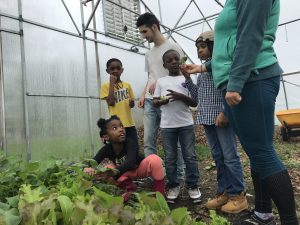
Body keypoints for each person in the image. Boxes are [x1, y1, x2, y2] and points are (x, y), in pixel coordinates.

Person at [181, 0, 298, 224]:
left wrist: (235, 83)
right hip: (246, 78)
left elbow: (250, 36)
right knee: (257, 153)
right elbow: (230, 46)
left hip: (253, 77)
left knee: (262, 153)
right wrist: (204, 68)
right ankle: (263, 214)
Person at [183, 30, 247, 213]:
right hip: (207, 118)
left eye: (203, 47)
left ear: (214, 46)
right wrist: (188, 79)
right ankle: (223, 192)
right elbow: (196, 98)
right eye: (197, 48)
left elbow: (228, 89)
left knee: (230, 156)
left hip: (221, 117)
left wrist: (225, 112)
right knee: (218, 156)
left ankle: (238, 195)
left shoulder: (221, 66)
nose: (199, 51)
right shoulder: (202, 73)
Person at [136, 12, 185, 183]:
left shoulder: (174, 48)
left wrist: (159, 82)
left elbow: (179, 74)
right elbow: (150, 76)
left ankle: (178, 175)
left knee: (171, 141)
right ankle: (153, 175)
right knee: (148, 139)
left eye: (144, 32)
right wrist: (143, 94)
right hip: (150, 100)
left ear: (154, 27)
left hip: (166, 101)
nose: (143, 36)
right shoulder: (148, 54)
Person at [153, 49, 201, 203]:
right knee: (170, 157)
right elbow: (154, 102)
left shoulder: (187, 79)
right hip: (168, 126)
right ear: (165, 64)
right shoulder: (161, 81)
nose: (174, 62)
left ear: (180, 61)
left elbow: (194, 102)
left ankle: (193, 185)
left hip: (186, 123)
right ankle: (173, 185)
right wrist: (162, 101)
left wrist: (181, 96)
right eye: (170, 60)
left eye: (176, 59)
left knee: (190, 156)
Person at [83, 115, 165, 201]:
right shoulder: (106, 149)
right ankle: (128, 190)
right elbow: (94, 161)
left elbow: (131, 162)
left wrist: (113, 173)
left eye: (121, 126)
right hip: (124, 174)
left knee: (155, 160)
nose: (121, 129)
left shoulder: (130, 143)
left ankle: (160, 197)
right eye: (115, 128)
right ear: (106, 137)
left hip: (138, 170)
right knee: (107, 168)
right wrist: (87, 168)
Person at [100, 58, 138, 149]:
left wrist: (132, 103)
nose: (115, 71)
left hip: (129, 124)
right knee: (121, 150)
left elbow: (132, 105)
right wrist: (112, 83)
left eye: (118, 68)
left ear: (122, 70)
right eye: (112, 69)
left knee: (134, 147)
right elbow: (111, 102)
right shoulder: (105, 86)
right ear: (107, 71)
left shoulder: (127, 85)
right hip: (116, 126)